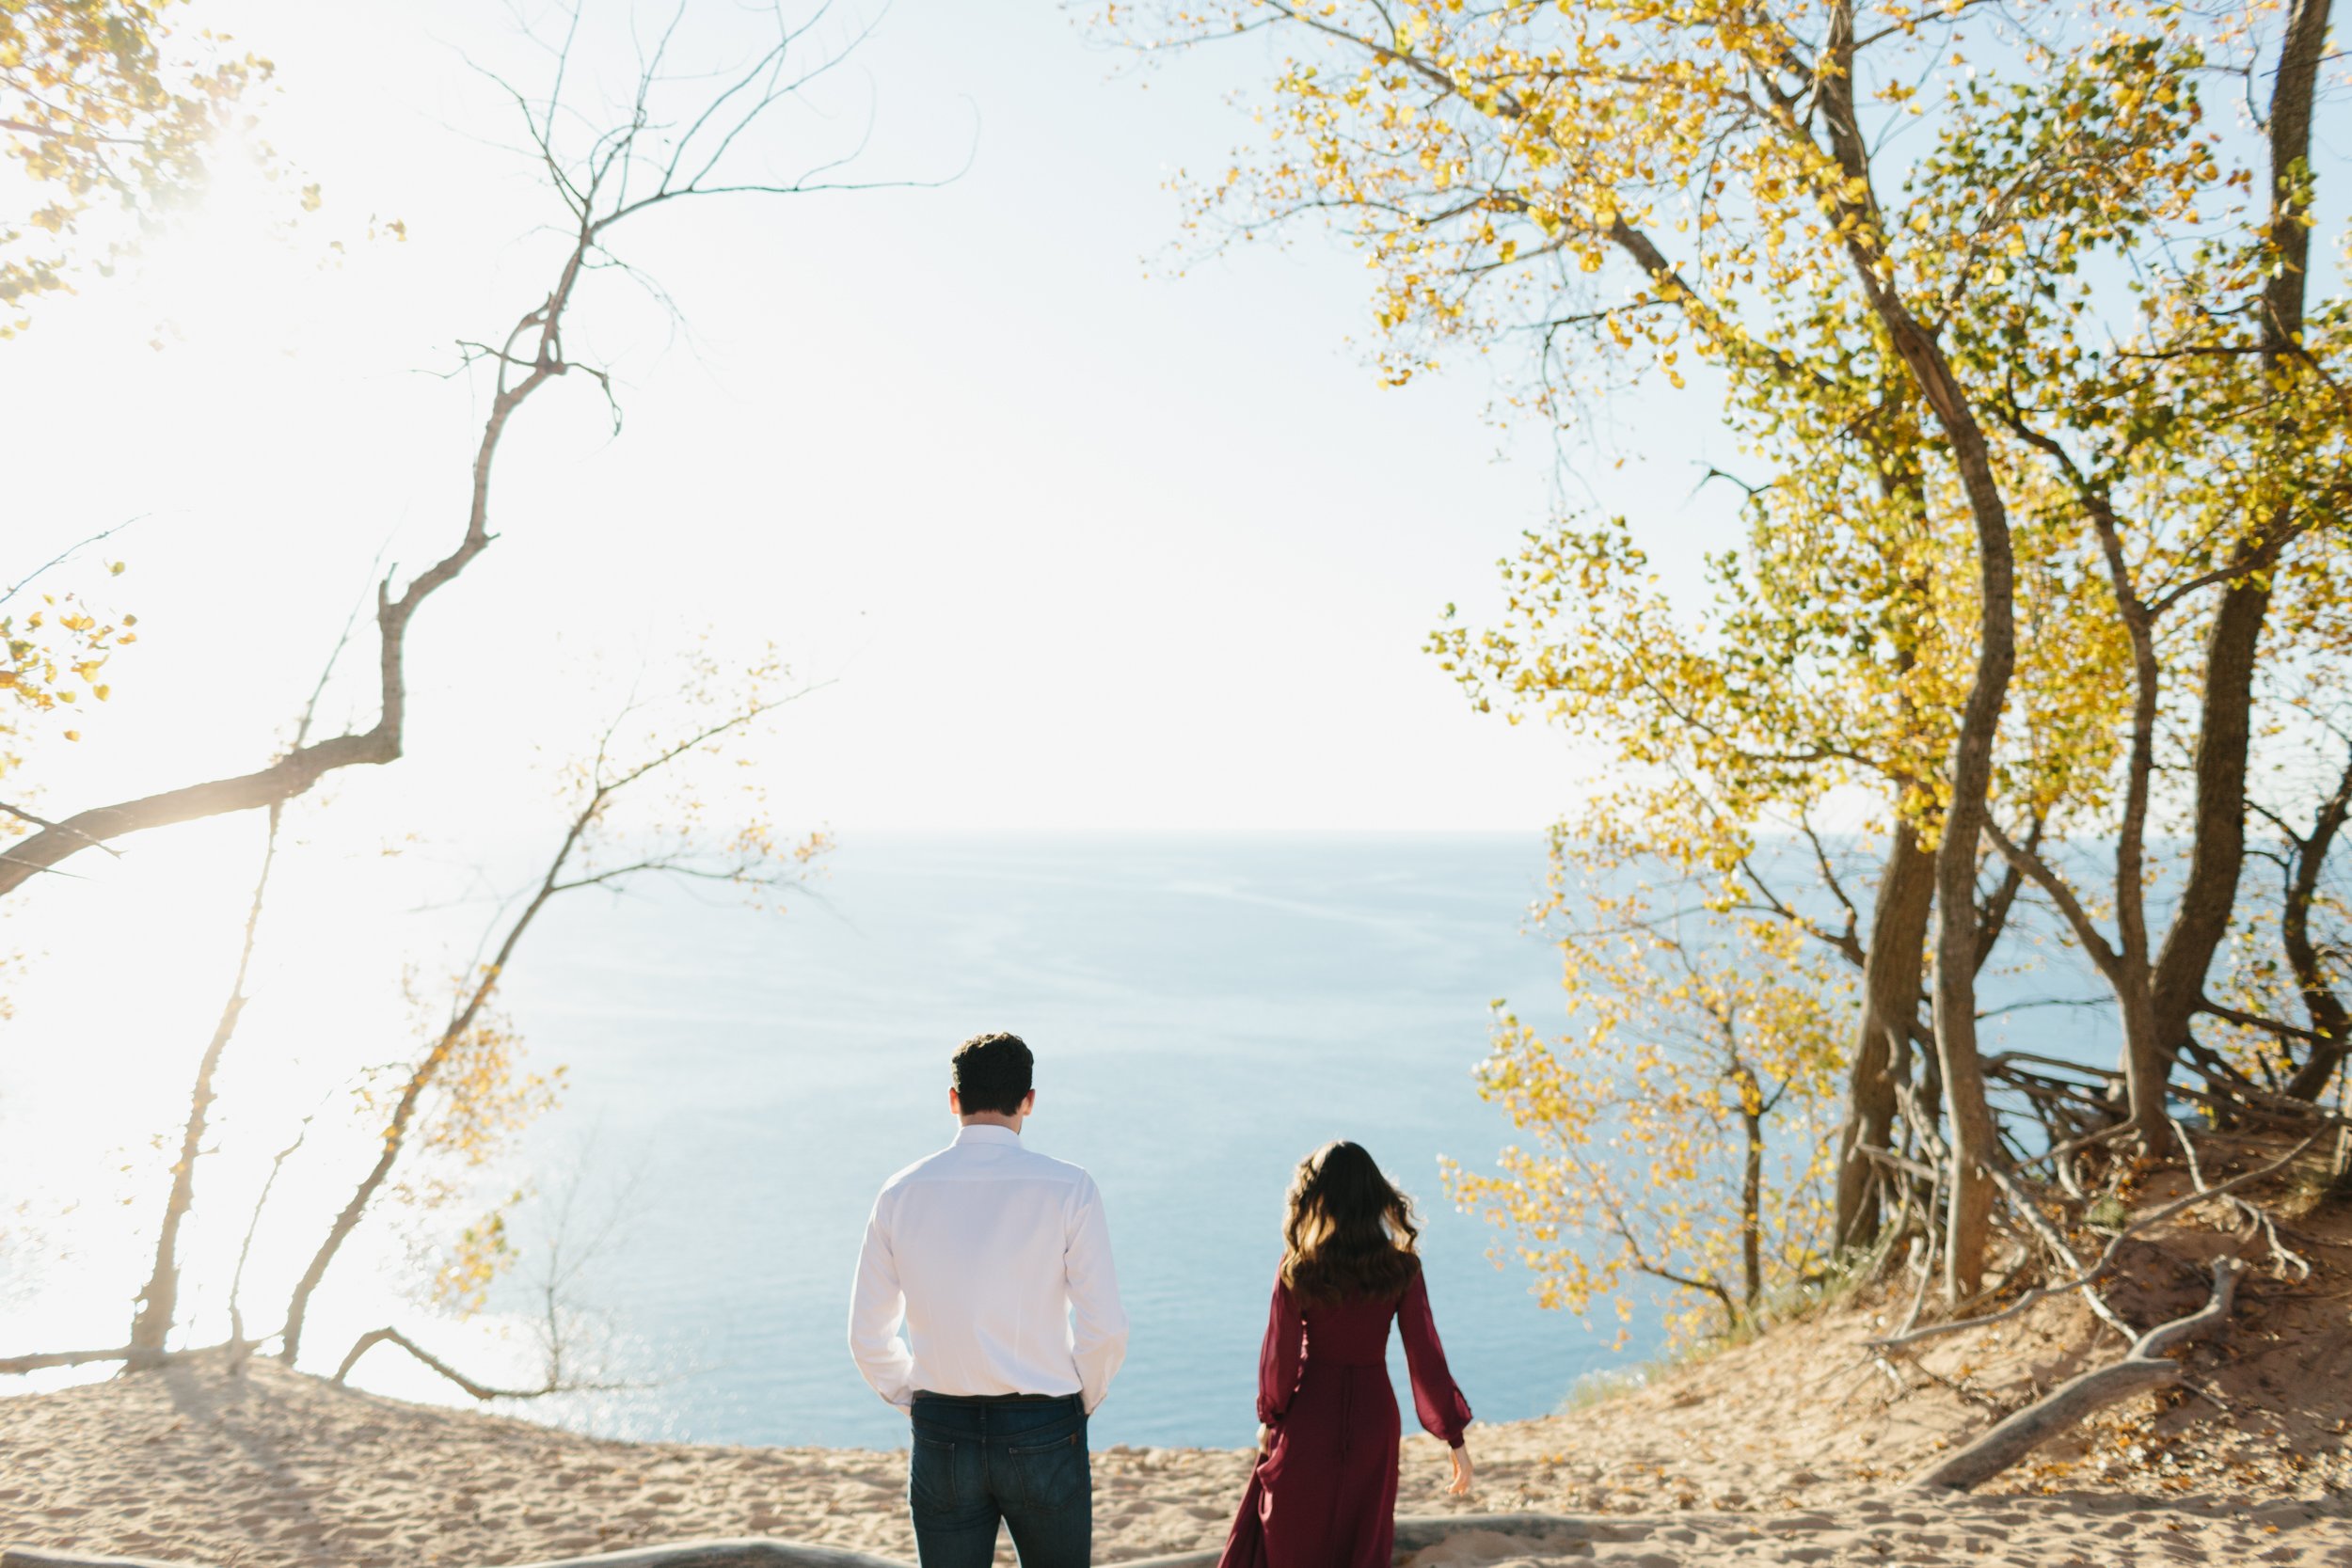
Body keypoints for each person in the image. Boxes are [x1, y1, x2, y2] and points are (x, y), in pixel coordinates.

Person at [849, 1031, 1128, 1568]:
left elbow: (867, 1336)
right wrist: (1077, 1400)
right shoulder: (1070, 1187)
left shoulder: (900, 1192)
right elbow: (1106, 1328)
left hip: (942, 1426)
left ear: (953, 1099)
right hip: (1045, 1423)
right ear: (1029, 1100)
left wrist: (915, 1397)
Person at [1217, 1140, 1473, 1568]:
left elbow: (1278, 1355)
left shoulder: (1299, 1266)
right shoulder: (1401, 1268)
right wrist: (1454, 1438)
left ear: (1317, 1198)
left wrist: (1271, 1417)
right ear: (1375, 1196)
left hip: (1309, 1417)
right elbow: (1425, 1356)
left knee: (1293, 1537)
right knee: (1362, 1540)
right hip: (1375, 1419)